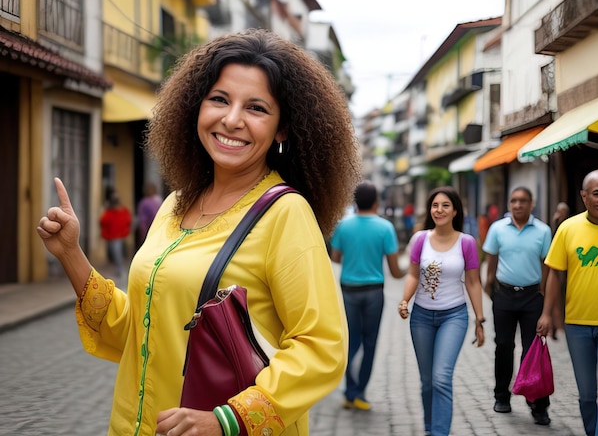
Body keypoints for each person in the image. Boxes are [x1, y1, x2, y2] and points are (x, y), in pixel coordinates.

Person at [36, 29, 361, 436]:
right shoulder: (174, 205)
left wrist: (228, 418)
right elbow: (138, 331)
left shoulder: (285, 213)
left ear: (283, 128)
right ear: (196, 107)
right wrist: (70, 253)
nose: (232, 119)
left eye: (257, 108)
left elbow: (322, 349)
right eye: (220, 99)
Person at [537, 169, 598, 436]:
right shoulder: (568, 228)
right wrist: (547, 314)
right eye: (597, 193)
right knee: (587, 395)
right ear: (584, 196)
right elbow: (555, 274)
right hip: (577, 324)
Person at [398, 186, 485, 436]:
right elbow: (413, 275)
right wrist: (404, 300)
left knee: (441, 378)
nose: (440, 210)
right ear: (430, 210)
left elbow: (473, 282)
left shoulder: (467, 243)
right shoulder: (420, 240)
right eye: (435, 205)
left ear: (455, 210)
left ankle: (439, 432)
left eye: (446, 205)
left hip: (454, 316)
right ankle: (429, 429)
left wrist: (480, 320)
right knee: (427, 383)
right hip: (421, 317)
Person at [330, 181, 405, 411]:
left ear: (355, 201)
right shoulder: (385, 228)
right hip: (373, 292)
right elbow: (394, 270)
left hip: (348, 290)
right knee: (369, 342)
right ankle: (359, 392)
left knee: (351, 340)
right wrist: (408, 270)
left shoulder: (344, 226)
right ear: (376, 202)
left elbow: (335, 257)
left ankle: (349, 392)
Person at [482, 186, 552, 425]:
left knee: (533, 349)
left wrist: (544, 298)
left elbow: (547, 266)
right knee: (503, 346)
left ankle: (538, 404)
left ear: (531, 204)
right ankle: (501, 395)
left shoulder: (543, 231)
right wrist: (490, 286)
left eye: (523, 201)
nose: (518, 205)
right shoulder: (497, 229)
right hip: (504, 294)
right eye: (514, 201)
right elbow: (491, 262)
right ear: (509, 204)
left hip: (533, 297)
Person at [99, 190, 132, 278]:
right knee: (116, 253)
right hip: (116, 235)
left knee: (117, 253)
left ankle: (120, 270)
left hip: (114, 236)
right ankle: (119, 270)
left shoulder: (110, 212)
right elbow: (128, 221)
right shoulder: (121, 211)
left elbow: (102, 221)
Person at [550, 201, 570, 337]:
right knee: (555, 296)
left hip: (570, 265)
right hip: (558, 263)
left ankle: (560, 325)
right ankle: (555, 327)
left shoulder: (571, 224)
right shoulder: (556, 223)